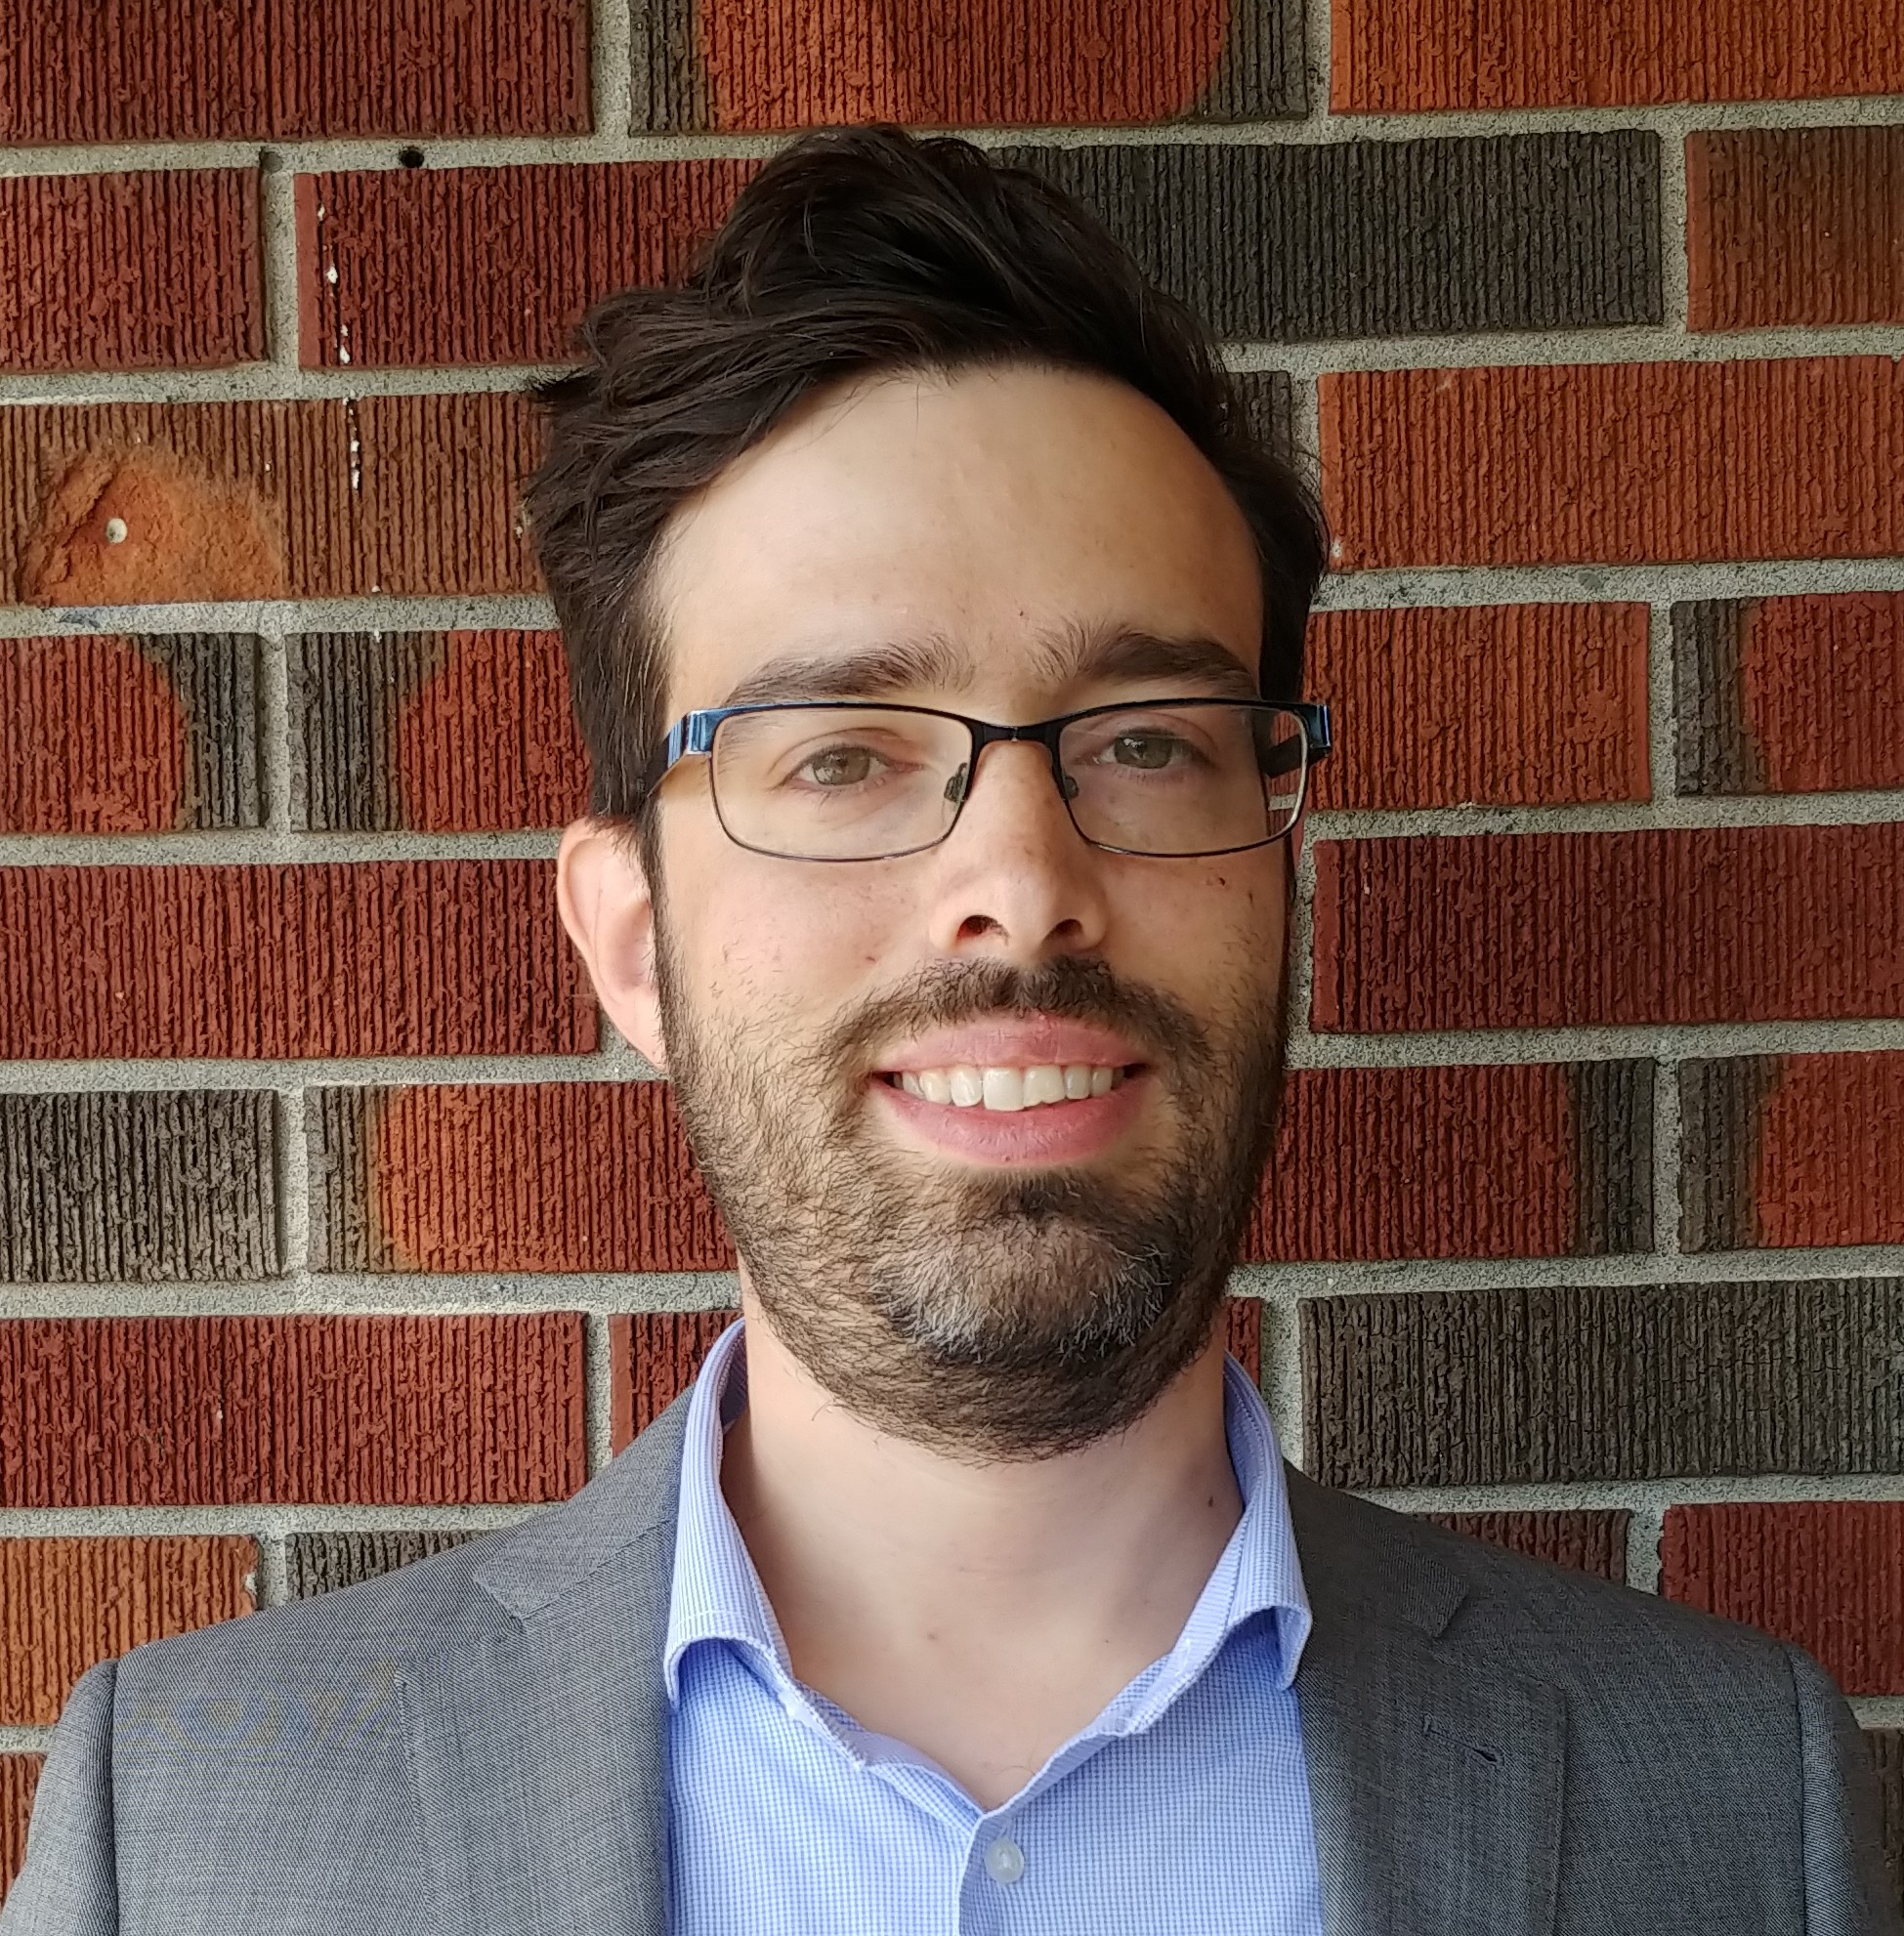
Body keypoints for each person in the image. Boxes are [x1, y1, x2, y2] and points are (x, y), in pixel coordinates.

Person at [5, 124, 1894, 1936]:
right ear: (632, 939)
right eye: (842, 753)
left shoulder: (1730, 1796)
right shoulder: (178, 1829)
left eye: (1144, 741)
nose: (1021, 878)